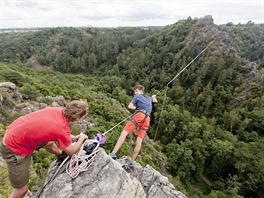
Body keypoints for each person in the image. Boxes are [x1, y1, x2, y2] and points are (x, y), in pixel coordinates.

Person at [0, 100, 89, 198]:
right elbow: (71, 151)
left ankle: (61, 155)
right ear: (78, 118)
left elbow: (58, 131)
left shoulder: (56, 110)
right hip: (13, 149)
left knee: (49, 143)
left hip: (15, 133)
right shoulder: (62, 128)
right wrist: (81, 139)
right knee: (21, 190)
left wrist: (72, 137)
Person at [109, 85, 157, 167]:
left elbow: (130, 106)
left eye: (136, 91)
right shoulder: (149, 98)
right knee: (139, 141)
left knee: (124, 132)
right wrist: (153, 97)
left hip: (140, 115)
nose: (135, 93)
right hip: (147, 119)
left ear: (140, 90)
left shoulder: (137, 97)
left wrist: (137, 108)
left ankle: (113, 153)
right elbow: (155, 101)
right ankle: (131, 162)